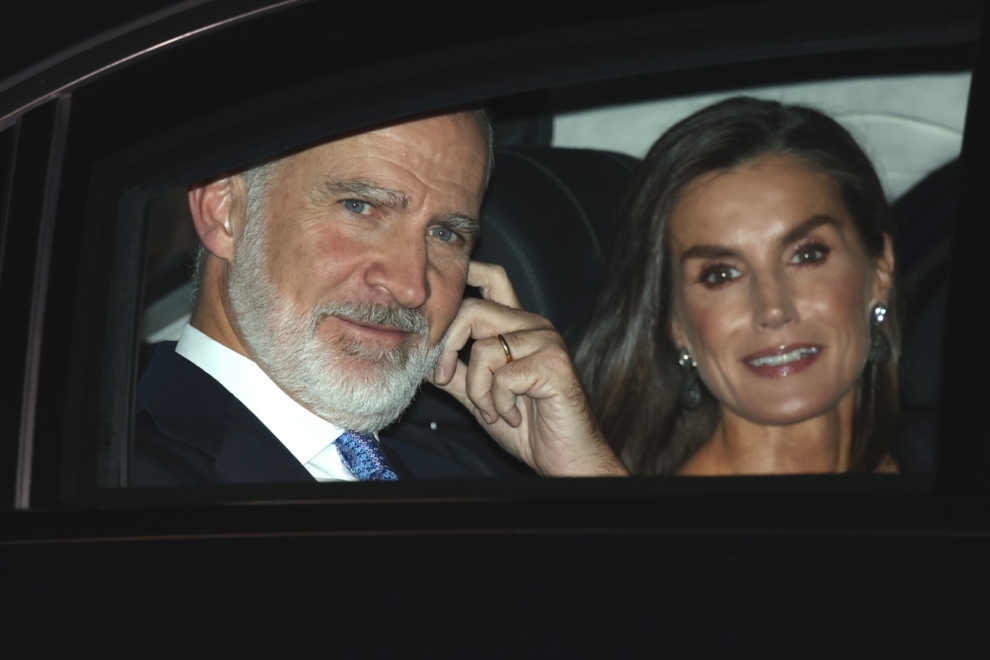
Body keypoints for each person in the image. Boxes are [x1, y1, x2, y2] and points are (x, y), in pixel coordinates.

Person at [133, 110, 627, 484]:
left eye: (447, 234)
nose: (413, 286)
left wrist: (585, 477)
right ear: (225, 211)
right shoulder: (118, 482)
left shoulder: (465, 486)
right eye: (360, 206)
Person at [575, 97, 899, 476]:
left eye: (806, 255)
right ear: (675, 323)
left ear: (880, 271)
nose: (773, 309)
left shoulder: (951, 481)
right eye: (721, 274)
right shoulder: (666, 531)